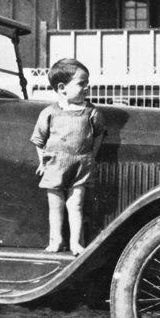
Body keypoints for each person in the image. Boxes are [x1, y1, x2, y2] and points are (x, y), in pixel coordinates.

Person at [30, 58, 106, 255]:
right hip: (55, 165)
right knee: (55, 205)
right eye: (81, 83)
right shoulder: (49, 113)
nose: (87, 88)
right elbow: (38, 140)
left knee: (76, 204)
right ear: (62, 88)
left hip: (82, 165)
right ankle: (56, 240)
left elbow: (98, 135)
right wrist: (42, 162)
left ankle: (75, 243)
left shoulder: (91, 112)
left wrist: (92, 156)